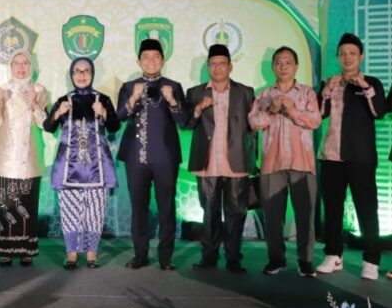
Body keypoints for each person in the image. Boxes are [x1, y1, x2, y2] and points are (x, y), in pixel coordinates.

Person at [317, 33, 386, 280]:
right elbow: (319, 115)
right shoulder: (330, 82)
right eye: (343, 54)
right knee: (332, 208)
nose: (347, 58)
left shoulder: (372, 83)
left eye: (352, 53)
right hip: (331, 155)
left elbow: (379, 112)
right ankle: (333, 255)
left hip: (361, 157)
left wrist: (365, 87)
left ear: (361, 57)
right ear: (338, 57)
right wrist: (326, 91)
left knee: (367, 209)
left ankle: (371, 260)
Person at [248, 46, 321, 277]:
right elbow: (254, 123)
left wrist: (293, 110)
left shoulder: (307, 93)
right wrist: (271, 110)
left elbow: (315, 121)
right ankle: (276, 259)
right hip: (272, 163)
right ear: (273, 67)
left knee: (305, 215)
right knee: (272, 216)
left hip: (302, 163)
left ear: (296, 66)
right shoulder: (263, 95)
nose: (283, 66)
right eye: (279, 62)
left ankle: (305, 260)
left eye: (288, 62)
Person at [117, 39, 186, 271]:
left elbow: (184, 121)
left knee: (166, 207)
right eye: (146, 57)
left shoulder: (173, 86)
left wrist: (172, 100)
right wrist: (133, 98)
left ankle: (166, 258)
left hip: (166, 157)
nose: (151, 61)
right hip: (136, 157)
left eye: (156, 56)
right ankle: (140, 255)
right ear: (138, 61)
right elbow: (118, 117)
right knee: (139, 207)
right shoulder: (129, 86)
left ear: (163, 60)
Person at [186, 43, 255, 274]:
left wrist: (252, 160)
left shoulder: (245, 92)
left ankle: (234, 258)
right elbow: (187, 124)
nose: (217, 68)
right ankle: (209, 256)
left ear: (230, 66)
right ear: (208, 67)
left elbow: (253, 128)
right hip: (207, 163)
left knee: (236, 213)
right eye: (213, 64)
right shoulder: (195, 93)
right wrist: (198, 109)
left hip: (236, 163)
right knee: (209, 212)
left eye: (222, 63)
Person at [44, 57, 119, 269]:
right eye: (77, 71)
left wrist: (104, 113)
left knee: (95, 211)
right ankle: (72, 253)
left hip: (98, 168)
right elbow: (49, 127)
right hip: (69, 168)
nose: (82, 75)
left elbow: (114, 126)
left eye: (86, 71)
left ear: (92, 74)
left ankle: (92, 253)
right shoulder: (64, 100)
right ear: (72, 74)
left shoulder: (103, 99)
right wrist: (58, 113)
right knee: (69, 212)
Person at [0, 49, 47, 267]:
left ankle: (26, 250)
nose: (21, 68)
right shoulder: (2, 89)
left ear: (31, 66)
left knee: (28, 204)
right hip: (6, 157)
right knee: (5, 204)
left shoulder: (39, 90)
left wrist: (34, 103)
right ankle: (5, 249)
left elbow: (44, 124)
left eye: (25, 63)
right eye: (16, 63)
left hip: (30, 156)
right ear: (10, 66)